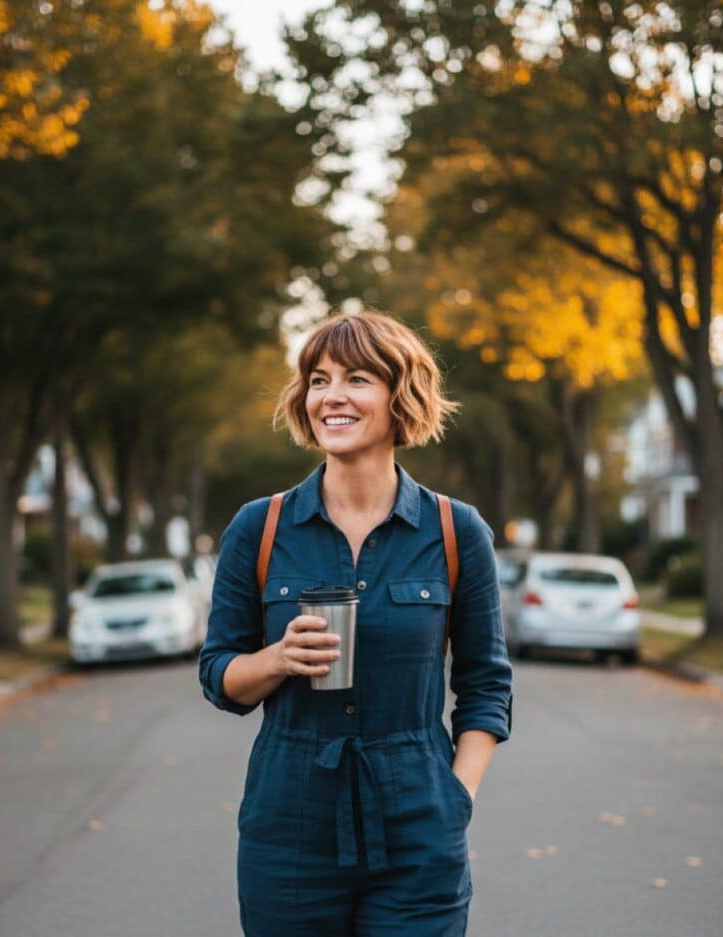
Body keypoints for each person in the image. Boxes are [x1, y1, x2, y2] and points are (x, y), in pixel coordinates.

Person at [198, 310, 513, 936]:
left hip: (420, 826)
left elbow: (486, 684)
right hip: (288, 826)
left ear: (402, 397)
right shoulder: (259, 528)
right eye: (319, 380)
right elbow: (218, 675)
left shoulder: (456, 531)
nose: (331, 396)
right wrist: (277, 659)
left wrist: (457, 798)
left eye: (357, 379)